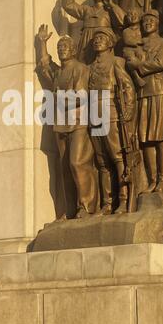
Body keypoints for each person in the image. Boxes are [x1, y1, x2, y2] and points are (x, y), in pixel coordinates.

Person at [36, 24, 98, 219]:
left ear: (73, 50)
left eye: (65, 47)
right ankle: (68, 210)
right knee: (63, 169)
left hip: (78, 123)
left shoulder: (80, 69)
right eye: (59, 48)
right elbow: (45, 64)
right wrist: (42, 43)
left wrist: (58, 97)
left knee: (77, 163)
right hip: (60, 125)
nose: (62, 50)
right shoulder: (59, 72)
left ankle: (86, 206)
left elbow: (81, 96)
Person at [89, 28, 137, 214]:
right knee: (102, 161)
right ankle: (107, 203)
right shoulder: (90, 67)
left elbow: (128, 87)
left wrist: (129, 109)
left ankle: (124, 200)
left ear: (110, 43)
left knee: (118, 157)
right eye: (95, 38)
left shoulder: (116, 62)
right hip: (94, 113)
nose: (97, 41)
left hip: (111, 111)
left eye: (101, 38)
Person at [126, 9, 163, 192]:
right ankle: (152, 180)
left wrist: (139, 66)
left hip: (158, 90)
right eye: (145, 21)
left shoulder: (161, 42)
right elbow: (129, 63)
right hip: (143, 93)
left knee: (161, 137)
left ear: (157, 22)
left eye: (151, 20)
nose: (147, 23)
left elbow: (161, 63)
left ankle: (162, 179)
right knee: (145, 138)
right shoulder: (138, 45)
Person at [61, 0, 125, 64]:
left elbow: (124, 22)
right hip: (86, 43)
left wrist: (112, 5)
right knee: (84, 68)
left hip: (104, 43)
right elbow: (68, 4)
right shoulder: (87, 9)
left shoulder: (110, 10)